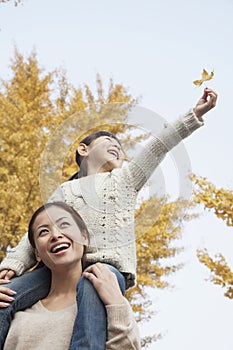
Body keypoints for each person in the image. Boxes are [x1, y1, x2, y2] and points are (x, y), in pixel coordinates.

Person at [0, 88, 217, 347]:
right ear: (84, 149)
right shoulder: (63, 191)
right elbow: (36, 233)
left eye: (120, 148)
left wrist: (193, 115)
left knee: (92, 285)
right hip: (60, 268)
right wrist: (11, 266)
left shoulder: (125, 179)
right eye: (108, 142)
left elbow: (159, 146)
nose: (117, 147)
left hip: (104, 268)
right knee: (6, 296)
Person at [2, 202, 141, 349]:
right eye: (43, 232)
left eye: (64, 224)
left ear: (84, 237)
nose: (55, 235)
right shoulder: (17, 314)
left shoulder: (109, 303)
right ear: (36, 253)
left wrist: (116, 305)